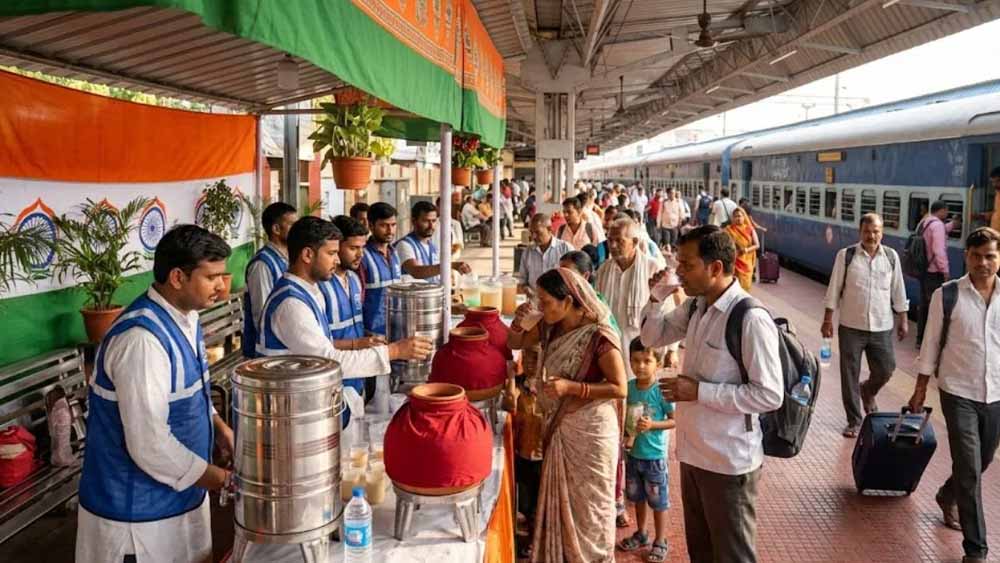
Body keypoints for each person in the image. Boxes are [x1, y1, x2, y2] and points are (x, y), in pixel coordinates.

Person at [77, 225, 236, 563]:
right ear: (177, 277)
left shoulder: (186, 317)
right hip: (138, 516)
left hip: (180, 498)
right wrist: (225, 481)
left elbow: (190, 388)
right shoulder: (142, 341)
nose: (222, 286)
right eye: (211, 277)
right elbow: (150, 445)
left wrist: (219, 427)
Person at [640, 225, 783, 563]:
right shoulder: (696, 307)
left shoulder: (749, 318)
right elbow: (651, 338)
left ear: (716, 267)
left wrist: (699, 391)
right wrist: (656, 298)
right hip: (693, 454)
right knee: (701, 552)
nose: (679, 272)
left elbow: (769, 395)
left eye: (687, 265)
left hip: (728, 462)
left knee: (732, 555)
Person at [509, 268, 628, 562]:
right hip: (561, 425)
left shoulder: (599, 336)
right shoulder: (550, 325)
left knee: (591, 507)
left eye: (546, 301)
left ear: (569, 301)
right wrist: (518, 323)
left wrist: (571, 388)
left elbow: (619, 387)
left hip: (592, 432)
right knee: (564, 505)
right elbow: (515, 344)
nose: (541, 306)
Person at [907, 227, 1000, 563]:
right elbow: (931, 343)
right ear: (966, 257)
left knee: (982, 459)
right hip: (957, 390)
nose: (983, 263)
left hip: (996, 392)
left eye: (990, 256)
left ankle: (948, 494)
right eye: (976, 256)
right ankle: (976, 549)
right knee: (970, 467)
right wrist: (920, 388)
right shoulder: (947, 295)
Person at [257, 216, 432, 371]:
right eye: (332, 253)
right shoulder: (291, 304)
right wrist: (395, 351)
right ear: (308, 254)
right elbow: (327, 360)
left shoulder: (308, 290)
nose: (337, 259)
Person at [823, 213, 909, 438]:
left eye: (876, 231)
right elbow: (834, 288)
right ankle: (854, 420)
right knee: (849, 373)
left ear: (882, 233)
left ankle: (868, 390)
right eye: (867, 231)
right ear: (860, 232)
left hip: (882, 325)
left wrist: (903, 318)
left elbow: (898, 289)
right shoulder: (846, 256)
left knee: (886, 368)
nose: (871, 236)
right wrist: (827, 319)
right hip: (851, 325)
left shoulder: (890, 256)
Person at [618, 338, 676, 563]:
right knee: (637, 497)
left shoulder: (661, 391)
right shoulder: (630, 387)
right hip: (633, 455)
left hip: (654, 458)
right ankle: (641, 533)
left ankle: (660, 540)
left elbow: (673, 420)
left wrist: (653, 425)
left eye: (647, 361)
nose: (640, 366)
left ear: (658, 364)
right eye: (635, 360)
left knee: (658, 501)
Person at [322, 216, 383, 422]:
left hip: (357, 376)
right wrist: (358, 344)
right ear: (336, 247)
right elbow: (316, 347)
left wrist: (370, 339)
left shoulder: (354, 279)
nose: (360, 254)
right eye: (353, 248)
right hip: (332, 383)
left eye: (362, 248)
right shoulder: (321, 287)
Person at [595, 217, 664, 375]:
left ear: (634, 242)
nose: (613, 246)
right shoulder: (603, 270)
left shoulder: (653, 268)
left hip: (641, 350)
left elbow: (667, 309)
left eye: (619, 241)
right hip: (609, 344)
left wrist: (672, 350)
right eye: (610, 240)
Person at [242, 202, 298, 358]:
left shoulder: (289, 258)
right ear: (276, 229)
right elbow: (262, 313)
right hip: (268, 352)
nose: (297, 230)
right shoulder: (262, 264)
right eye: (292, 225)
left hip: (285, 347)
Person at [396, 201, 471, 284]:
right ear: (414, 221)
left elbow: (434, 272)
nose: (431, 226)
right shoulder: (404, 245)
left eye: (434, 221)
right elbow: (416, 271)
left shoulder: (431, 245)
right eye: (426, 221)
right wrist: (451, 265)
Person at [916, 200, 957, 345]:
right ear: (942, 210)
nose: (947, 213)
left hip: (924, 271)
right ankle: (931, 340)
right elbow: (938, 250)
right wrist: (945, 271)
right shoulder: (938, 225)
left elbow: (939, 232)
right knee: (935, 308)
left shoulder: (925, 222)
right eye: (946, 211)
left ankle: (920, 338)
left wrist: (952, 225)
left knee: (924, 306)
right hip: (934, 273)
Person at [360, 202, 403, 336]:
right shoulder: (362, 256)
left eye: (393, 225)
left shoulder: (394, 253)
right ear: (371, 226)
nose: (390, 231)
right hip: (371, 332)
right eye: (384, 225)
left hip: (395, 328)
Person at [559, 250, 621, 335]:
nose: (562, 277)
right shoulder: (561, 298)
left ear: (585, 276)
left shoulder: (596, 302)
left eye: (567, 273)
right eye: (560, 273)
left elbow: (612, 332)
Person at [516, 213, 573, 293]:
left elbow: (573, 279)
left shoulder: (565, 249)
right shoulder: (527, 252)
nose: (534, 237)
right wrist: (525, 289)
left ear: (550, 229)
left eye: (538, 232)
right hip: (534, 299)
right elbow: (522, 281)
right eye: (531, 232)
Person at [725, 207, 760, 292]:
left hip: (746, 262)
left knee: (745, 287)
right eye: (735, 216)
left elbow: (757, 245)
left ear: (744, 217)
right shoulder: (728, 230)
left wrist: (746, 250)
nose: (738, 218)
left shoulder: (750, 229)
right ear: (732, 218)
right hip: (734, 261)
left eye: (740, 216)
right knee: (733, 286)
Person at [973, 167, 1000, 231]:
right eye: (992, 182)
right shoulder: (998, 192)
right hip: (995, 233)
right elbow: (997, 213)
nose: (994, 185)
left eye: (998, 181)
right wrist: (981, 216)